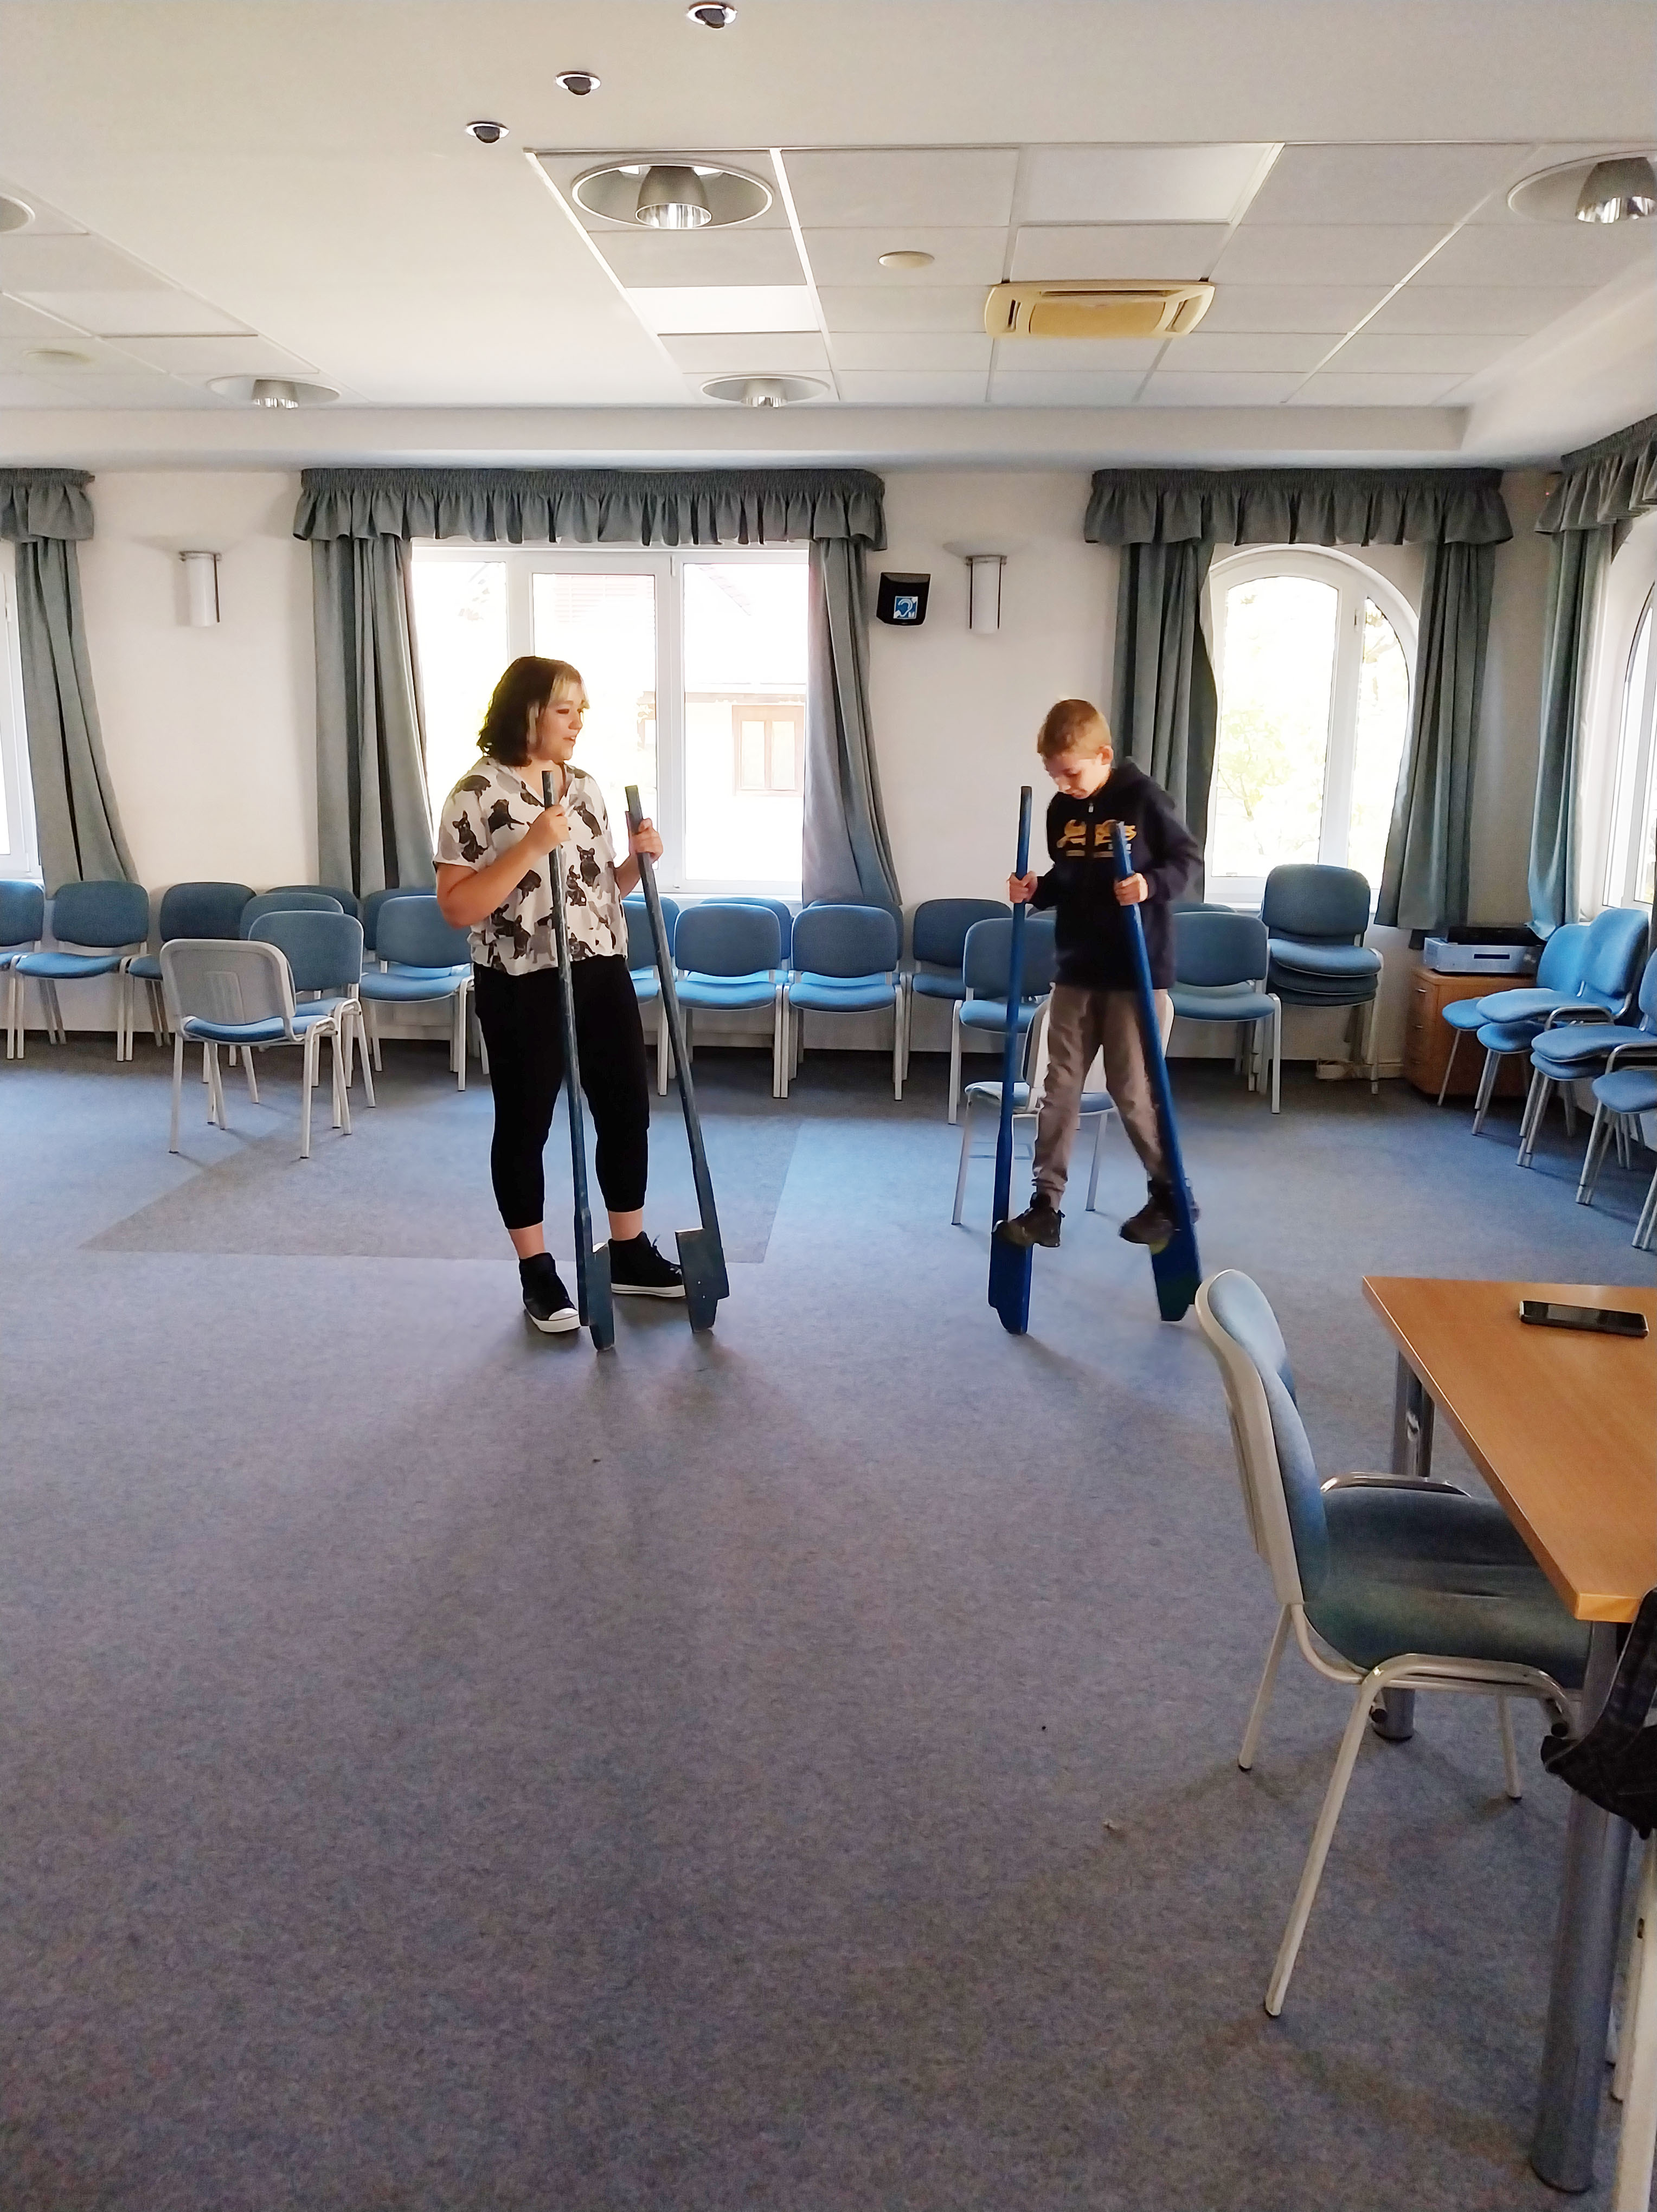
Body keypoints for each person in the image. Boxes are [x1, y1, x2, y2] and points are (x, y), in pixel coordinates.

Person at [435, 655, 685, 1333]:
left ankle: (628, 1251)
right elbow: (457, 908)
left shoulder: (586, 788)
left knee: (626, 1111)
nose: (578, 724)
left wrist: (637, 862)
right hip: (520, 978)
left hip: (600, 968)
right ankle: (538, 1272)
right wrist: (529, 846)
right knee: (526, 1125)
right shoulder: (474, 793)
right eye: (565, 711)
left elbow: (597, 893)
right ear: (528, 712)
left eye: (581, 712)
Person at [996, 697, 1202, 1252]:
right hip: (1077, 966)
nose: (1062, 785)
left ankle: (1170, 1194)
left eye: (1071, 773)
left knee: (1129, 1089)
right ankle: (1046, 1204)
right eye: (1053, 775)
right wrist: (1036, 890)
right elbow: (1070, 879)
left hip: (1134, 967)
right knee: (1058, 1086)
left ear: (1103, 756)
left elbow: (1187, 861)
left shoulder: (1143, 799)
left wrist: (1149, 884)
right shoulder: (1060, 810)